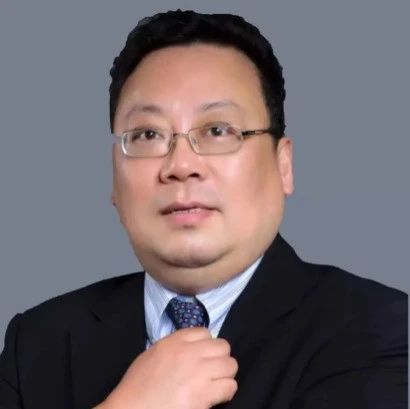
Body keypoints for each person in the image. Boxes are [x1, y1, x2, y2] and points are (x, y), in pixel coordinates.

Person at [0, 9, 407, 409]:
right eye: (147, 135)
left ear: (283, 164)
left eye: (217, 130)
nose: (180, 166)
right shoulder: (38, 341)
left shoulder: (378, 326)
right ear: (113, 175)